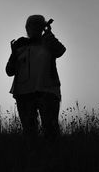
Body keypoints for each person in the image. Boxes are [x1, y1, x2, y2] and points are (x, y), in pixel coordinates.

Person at [6, 15, 66, 146]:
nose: (34, 29)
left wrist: (49, 34)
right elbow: (9, 71)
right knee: (29, 133)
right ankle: (33, 159)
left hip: (48, 92)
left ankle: (52, 160)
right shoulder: (20, 45)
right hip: (24, 93)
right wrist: (14, 53)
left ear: (42, 27)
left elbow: (61, 50)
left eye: (38, 26)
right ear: (27, 28)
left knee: (51, 132)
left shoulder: (48, 42)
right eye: (31, 26)